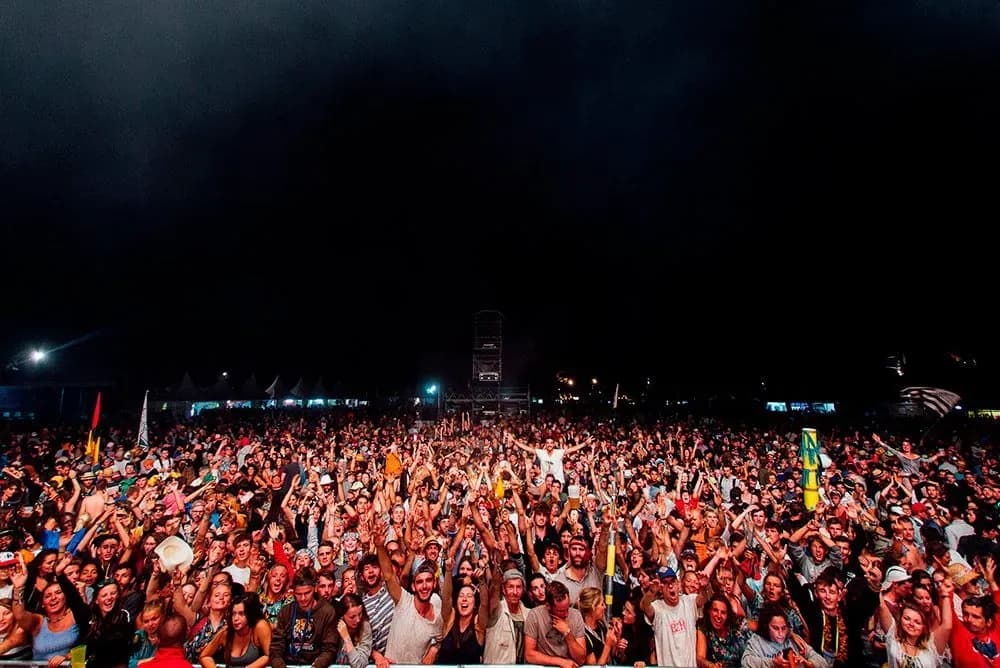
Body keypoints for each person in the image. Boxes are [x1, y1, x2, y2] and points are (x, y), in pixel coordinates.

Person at [376, 521, 445, 664]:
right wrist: (379, 546)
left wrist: (434, 649)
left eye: (428, 581)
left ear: (434, 584)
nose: (424, 586)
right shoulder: (403, 601)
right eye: (419, 582)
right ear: (413, 587)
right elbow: (388, 575)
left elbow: (440, 640)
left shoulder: (437, 615)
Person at [10, 552, 91, 667]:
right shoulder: (39, 621)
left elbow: (87, 644)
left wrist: (67, 657)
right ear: (42, 603)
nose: (53, 598)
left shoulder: (76, 614)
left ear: (66, 597)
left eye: (58, 593)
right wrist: (18, 588)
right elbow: (19, 615)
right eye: (47, 596)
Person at [271, 568, 338, 668]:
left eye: (307, 593)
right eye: (298, 594)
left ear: (315, 588)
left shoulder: (327, 611)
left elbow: (329, 649)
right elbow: (276, 648)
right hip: (288, 664)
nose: (302, 598)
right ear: (293, 591)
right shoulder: (286, 612)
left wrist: (317, 666)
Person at [641, 566, 699, 668]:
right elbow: (644, 606)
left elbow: (701, 599)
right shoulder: (657, 607)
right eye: (665, 583)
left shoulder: (688, 602)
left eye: (673, 581)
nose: (670, 586)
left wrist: (704, 587)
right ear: (660, 588)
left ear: (678, 584)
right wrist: (651, 592)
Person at [524, 580, 588, 668]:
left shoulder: (576, 615)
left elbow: (581, 659)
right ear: (548, 606)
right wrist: (560, 662)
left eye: (567, 608)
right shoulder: (535, 615)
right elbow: (529, 655)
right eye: (561, 611)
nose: (566, 614)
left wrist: (568, 633)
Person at [742, 605, 829, 668]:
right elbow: (745, 662)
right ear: (766, 626)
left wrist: (808, 664)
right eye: (775, 628)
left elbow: (823, 663)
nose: (780, 633)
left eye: (783, 628)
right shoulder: (757, 641)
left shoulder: (793, 640)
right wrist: (772, 663)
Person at [199, 593, 271, 668]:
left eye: (241, 614)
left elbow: (269, 656)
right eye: (233, 614)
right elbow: (204, 656)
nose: (236, 618)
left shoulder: (260, 626)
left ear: (250, 614)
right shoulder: (226, 632)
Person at [483, 566, 529, 664]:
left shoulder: (529, 614)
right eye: (511, 587)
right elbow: (493, 591)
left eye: (518, 587)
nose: (515, 592)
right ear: (503, 590)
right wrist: (497, 565)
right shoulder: (496, 609)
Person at [698, 593, 750, 668]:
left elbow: (761, 627)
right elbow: (700, 658)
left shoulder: (737, 624)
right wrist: (711, 665)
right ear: (709, 610)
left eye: (723, 612)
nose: (719, 616)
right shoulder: (704, 627)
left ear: (728, 615)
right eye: (715, 610)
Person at [577, 586, 623, 665]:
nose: (605, 607)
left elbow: (611, 655)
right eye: (602, 604)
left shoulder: (601, 625)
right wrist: (608, 645)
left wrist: (617, 637)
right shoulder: (583, 635)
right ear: (593, 607)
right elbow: (595, 667)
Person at [334, 593, 374, 668]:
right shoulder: (334, 625)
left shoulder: (365, 626)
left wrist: (346, 638)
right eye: (352, 617)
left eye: (360, 614)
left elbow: (359, 664)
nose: (358, 620)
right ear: (342, 617)